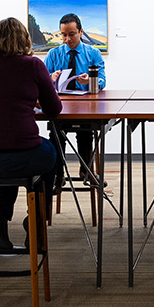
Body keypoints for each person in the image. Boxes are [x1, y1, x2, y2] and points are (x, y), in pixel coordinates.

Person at [0, 17, 62, 252]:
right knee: (48, 154)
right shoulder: (32, 64)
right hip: (17, 154)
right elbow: (54, 109)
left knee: (7, 160)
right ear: (24, 40)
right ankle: (37, 219)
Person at [43, 13, 106, 182]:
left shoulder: (93, 53)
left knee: (85, 133)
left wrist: (91, 81)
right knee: (56, 134)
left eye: (72, 34)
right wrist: (50, 80)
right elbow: (41, 83)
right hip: (59, 105)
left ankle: (86, 171)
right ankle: (57, 176)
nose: (67, 39)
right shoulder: (53, 54)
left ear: (80, 32)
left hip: (84, 105)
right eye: (63, 34)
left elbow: (102, 80)